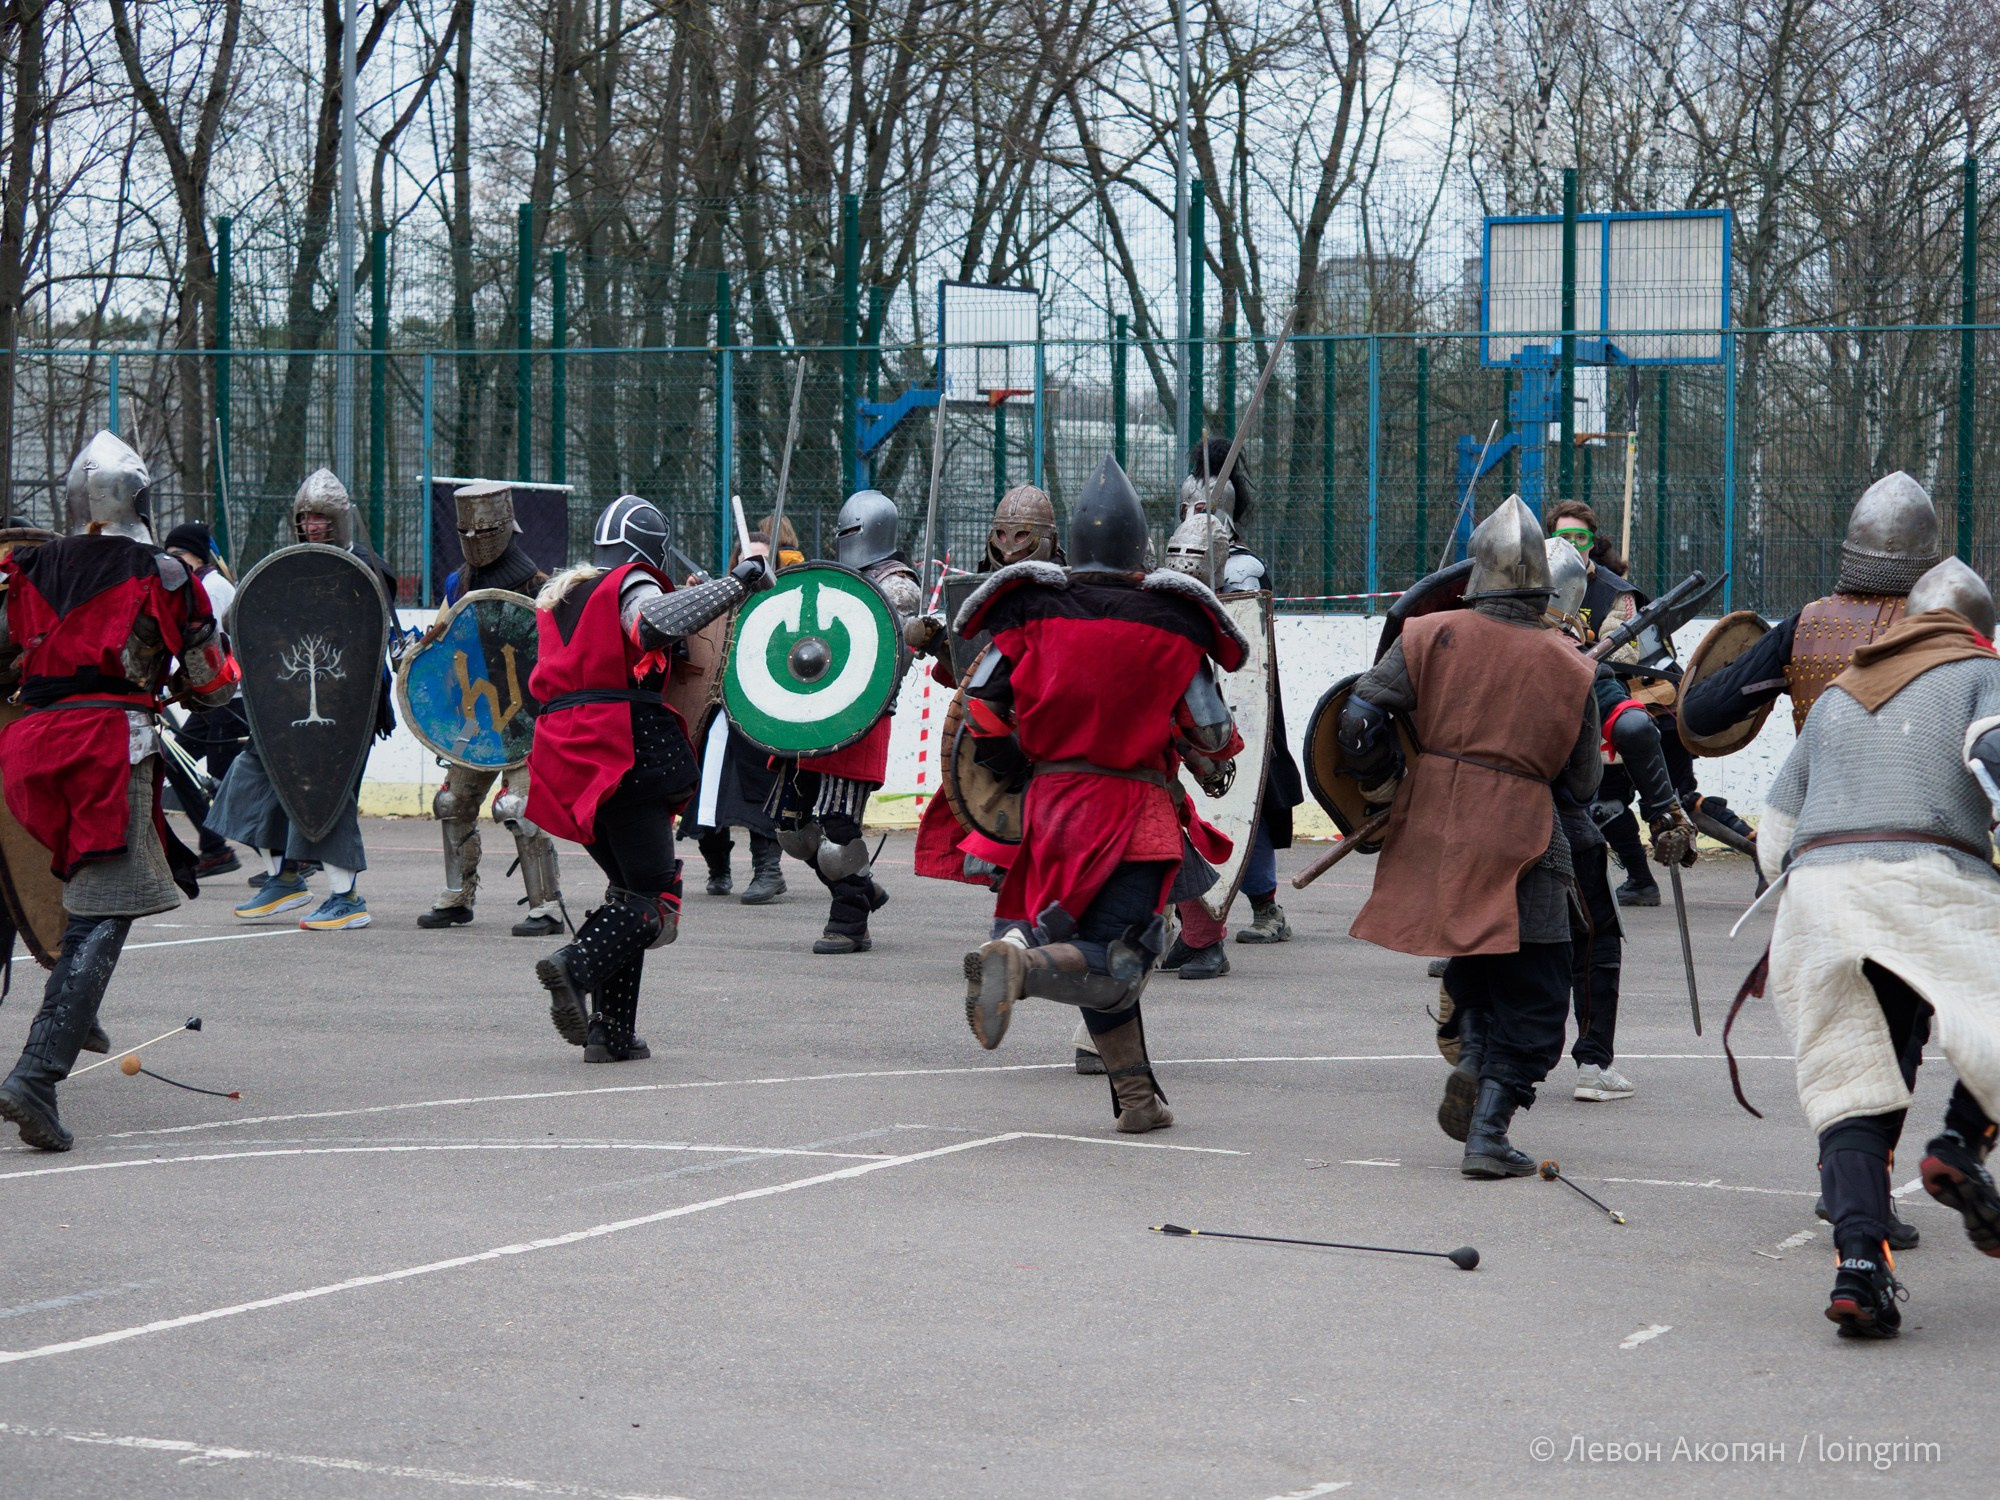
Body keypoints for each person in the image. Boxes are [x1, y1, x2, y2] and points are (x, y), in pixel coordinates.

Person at [1750, 557, 2000, 1337]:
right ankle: (1959, 1145)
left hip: (1820, 897)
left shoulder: (1838, 694)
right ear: (1976, 630)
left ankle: (1860, 1263)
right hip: (1928, 879)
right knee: (1990, 1021)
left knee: (1853, 1083)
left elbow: (1774, 839)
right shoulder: (1981, 676)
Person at [959, 456, 1245, 1134]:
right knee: (1117, 961)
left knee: (1092, 947)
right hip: (1132, 812)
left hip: (1051, 810)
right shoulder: (1173, 621)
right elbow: (1212, 732)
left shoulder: (1030, 608)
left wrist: (1021, 764)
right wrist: (1203, 759)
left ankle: (1138, 1099)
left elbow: (983, 709)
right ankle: (1021, 967)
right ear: (1140, 546)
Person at [1338, 496, 1601, 1177]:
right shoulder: (1570, 664)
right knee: (1540, 990)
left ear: (1477, 572)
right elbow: (1582, 783)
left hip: (1436, 825)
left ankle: (1476, 1064)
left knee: (1475, 963)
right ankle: (1490, 1129)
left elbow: (1358, 721)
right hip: (1524, 835)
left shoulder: (1429, 634)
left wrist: (1385, 788)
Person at [0, 433, 238, 1151]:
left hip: (29, 754)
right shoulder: (165, 574)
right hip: (106, 749)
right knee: (106, 911)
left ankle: (75, 1009)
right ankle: (38, 1073)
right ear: (140, 499)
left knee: (67, 898)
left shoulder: (26, 569)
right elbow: (210, 683)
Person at [527, 495, 772, 1061]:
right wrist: (737, 583)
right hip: (616, 746)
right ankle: (576, 964)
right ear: (650, 547)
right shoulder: (632, 582)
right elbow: (651, 623)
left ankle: (609, 1035)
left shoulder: (569, 593)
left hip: (564, 754)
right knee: (657, 898)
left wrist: (706, 591)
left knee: (630, 894)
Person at [1540, 537, 1697, 1103]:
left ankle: (1477, 1049)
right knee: (1595, 937)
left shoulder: (1463, 638)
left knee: (1483, 935)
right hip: (1558, 821)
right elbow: (1632, 729)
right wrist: (1663, 811)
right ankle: (1592, 1065)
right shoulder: (1572, 656)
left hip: (1475, 819)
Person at [207, 469, 397, 930]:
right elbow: (248, 621)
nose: (312, 526)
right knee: (252, 781)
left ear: (339, 520)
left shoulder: (368, 569)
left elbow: (368, 641)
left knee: (325, 794)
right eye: (306, 518)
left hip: (346, 711)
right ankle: (284, 879)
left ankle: (346, 897)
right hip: (286, 705)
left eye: (321, 518)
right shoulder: (285, 566)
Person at [1546, 499, 1755, 904]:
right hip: (1591, 708)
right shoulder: (1539, 585)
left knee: (1677, 802)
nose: (1572, 544)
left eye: (1580, 536)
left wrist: (1573, 642)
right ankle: (1641, 883)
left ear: (1593, 541)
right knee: (1605, 804)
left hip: (1645, 709)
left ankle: (1766, 855)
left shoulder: (1617, 593)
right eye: (1562, 536)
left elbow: (1619, 656)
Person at [1159, 438, 1305, 979]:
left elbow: (1244, 645)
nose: (1194, 520)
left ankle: (1267, 908)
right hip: (1189, 699)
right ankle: (1191, 923)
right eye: (1187, 512)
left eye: (1204, 511)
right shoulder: (1169, 569)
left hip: (1240, 697)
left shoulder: (1245, 570)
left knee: (1251, 798)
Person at [766, 489, 921, 954]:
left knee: (838, 821)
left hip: (859, 715)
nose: (845, 539)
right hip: (808, 711)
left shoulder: (898, 584)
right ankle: (863, 886)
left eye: (851, 530)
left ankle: (851, 916)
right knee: (789, 827)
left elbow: (886, 646)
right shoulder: (835, 578)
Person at [1681, 472, 1941, 747]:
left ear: (1853, 547)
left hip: (1822, 788)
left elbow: (1700, 715)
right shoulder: (1951, 632)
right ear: (1930, 556)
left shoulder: (1807, 627)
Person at [415, 480, 564, 936]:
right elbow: (442, 638)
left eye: (486, 532)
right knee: (451, 801)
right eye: (469, 534)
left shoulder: (543, 587)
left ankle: (547, 907)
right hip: (478, 717)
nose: (477, 541)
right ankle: (458, 895)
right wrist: (417, 653)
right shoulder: (458, 583)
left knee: (520, 807)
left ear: (506, 528)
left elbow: (556, 653)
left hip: (527, 718)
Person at [683, 514, 803, 905]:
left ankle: (768, 871)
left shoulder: (788, 602)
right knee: (704, 789)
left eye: (760, 560)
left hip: (762, 710)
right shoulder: (719, 597)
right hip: (715, 707)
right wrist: (693, 598)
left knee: (758, 787)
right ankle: (718, 868)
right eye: (745, 559)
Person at [160, 520, 245, 878]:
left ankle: (289, 857)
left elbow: (208, 647)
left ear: (196, 555)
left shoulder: (213, 587)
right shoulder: (200, 585)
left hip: (229, 697)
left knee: (226, 781)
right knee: (174, 763)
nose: (173, 561)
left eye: (178, 554)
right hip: (210, 698)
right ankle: (213, 848)